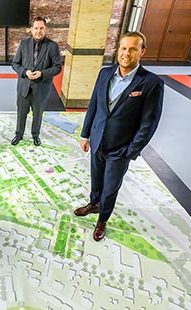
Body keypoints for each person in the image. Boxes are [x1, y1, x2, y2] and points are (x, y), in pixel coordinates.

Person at [73, 31, 163, 241]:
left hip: (120, 149)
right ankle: (94, 204)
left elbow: (148, 123)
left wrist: (130, 151)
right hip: (97, 141)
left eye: (132, 49)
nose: (126, 53)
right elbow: (94, 106)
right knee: (96, 179)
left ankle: (102, 219)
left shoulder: (151, 83)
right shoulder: (104, 74)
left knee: (111, 187)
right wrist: (86, 135)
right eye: (123, 48)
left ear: (142, 51)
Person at [11, 16, 62, 146]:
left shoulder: (52, 46)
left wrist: (42, 74)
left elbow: (57, 67)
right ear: (31, 29)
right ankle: (19, 134)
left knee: (38, 115)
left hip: (41, 89)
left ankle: (35, 135)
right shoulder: (23, 44)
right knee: (21, 114)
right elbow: (15, 64)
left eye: (41, 28)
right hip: (24, 88)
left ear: (45, 29)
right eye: (36, 28)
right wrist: (25, 72)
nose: (38, 31)